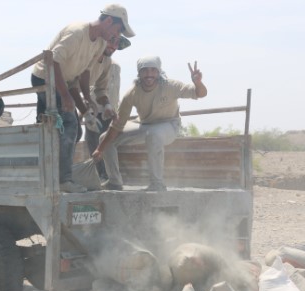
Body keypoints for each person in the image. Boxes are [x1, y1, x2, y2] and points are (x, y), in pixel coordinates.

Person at [31, 4, 135, 193]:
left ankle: (50, 174)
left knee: (69, 131)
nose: (115, 36)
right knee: (69, 124)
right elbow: (53, 61)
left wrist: (88, 104)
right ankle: (63, 180)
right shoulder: (77, 32)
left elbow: (84, 73)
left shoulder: (101, 44)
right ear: (109, 20)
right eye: (117, 30)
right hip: (45, 78)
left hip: (67, 80)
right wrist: (65, 96)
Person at [92, 57, 207, 192]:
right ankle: (114, 182)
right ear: (139, 73)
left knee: (154, 135)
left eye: (153, 70)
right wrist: (100, 149)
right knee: (105, 139)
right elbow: (117, 124)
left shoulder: (170, 86)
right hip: (144, 124)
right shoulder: (132, 94)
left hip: (169, 125)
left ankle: (157, 184)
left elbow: (200, 93)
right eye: (145, 71)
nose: (149, 74)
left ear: (158, 72)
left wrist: (198, 82)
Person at [73, 35, 130, 180]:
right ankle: (104, 174)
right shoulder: (104, 62)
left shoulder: (107, 64)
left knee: (96, 142)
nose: (113, 46)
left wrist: (86, 111)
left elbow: (99, 89)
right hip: (103, 108)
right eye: (111, 41)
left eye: (116, 43)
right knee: (99, 141)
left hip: (100, 109)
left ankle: (103, 174)